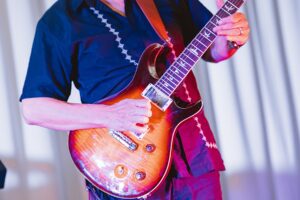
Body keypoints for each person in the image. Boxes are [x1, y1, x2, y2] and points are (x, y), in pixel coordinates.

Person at [20, 0, 250, 199]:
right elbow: (34, 109)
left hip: (192, 156)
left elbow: (214, 50)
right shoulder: (59, 21)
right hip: (122, 165)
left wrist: (231, 36)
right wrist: (111, 116)